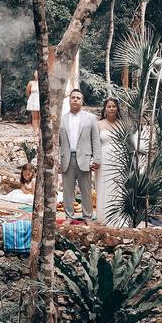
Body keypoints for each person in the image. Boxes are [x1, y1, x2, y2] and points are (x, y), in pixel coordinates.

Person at [59, 89, 101, 224]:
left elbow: (95, 140)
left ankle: (87, 216)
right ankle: (69, 216)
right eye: (73, 98)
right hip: (67, 158)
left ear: (82, 101)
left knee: (86, 190)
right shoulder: (62, 119)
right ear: (69, 100)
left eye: (78, 98)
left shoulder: (91, 118)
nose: (75, 100)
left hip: (85, 159)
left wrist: (97, 159)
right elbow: (58, 141)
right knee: (67, 191)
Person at [96, 98, 124, 226]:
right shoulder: (99, 124)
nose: (111, 108)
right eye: (109, 106)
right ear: (105, 109)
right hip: (104, 157)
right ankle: (104, 215)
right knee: (104, 184)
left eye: (114, 106)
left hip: (119, 157)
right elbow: (95, 144)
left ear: (117, 108)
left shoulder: (122, 124)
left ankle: (118, 215)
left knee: (117, 186)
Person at [26, 70, 40, 135]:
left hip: (40, 100)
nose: (37, 74)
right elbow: (28, 92)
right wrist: (31, 100)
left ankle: (40, 131)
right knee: (34, 117)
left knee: (41, 117)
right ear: (34, 74)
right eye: (35, 73)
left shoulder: (42, 82)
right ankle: (35, 131)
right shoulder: (31, 83)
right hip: (33, 101)